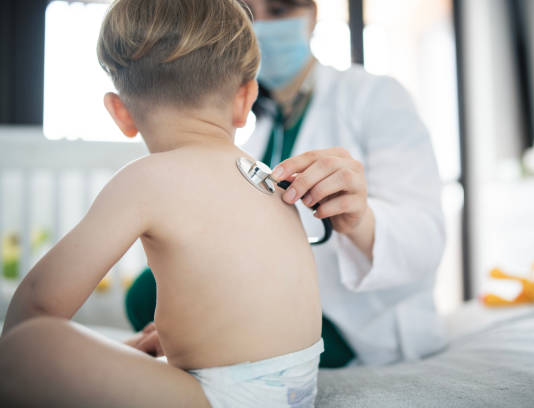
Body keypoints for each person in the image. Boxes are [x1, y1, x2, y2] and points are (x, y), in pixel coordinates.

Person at [0, 0, 324, 406]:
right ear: (246, 99)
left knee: (29, 346)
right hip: (297, 389)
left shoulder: (144, 179)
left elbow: (39, 301)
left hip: (224, 397)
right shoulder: (263, 176)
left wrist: (17, 346)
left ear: (120, 113)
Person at [125, 0, 447, 368]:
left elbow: (427, 238)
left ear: (311, 16)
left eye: (278, 12)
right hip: (272, 292)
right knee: (147, 292)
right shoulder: (254, 124)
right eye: (249, 16)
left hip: (357, 318)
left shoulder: (374, 96)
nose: (261, 28)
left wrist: (361, 220)